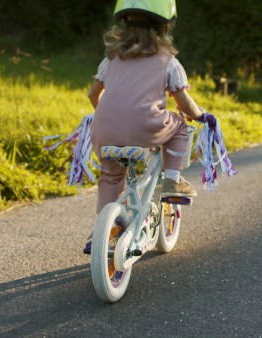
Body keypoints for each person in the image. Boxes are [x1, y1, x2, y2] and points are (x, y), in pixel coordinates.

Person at [84, 0, 203, 253]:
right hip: (146, 127)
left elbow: (93, 95)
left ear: (123, 26)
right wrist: (201, 115)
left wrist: (112, 116)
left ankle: (101, 230)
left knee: (111, 176)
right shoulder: (168, 62)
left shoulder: (111, 59)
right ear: (164, 28)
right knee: (180, 125)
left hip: (103, 130)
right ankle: (172, 180)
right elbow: (184, 104)